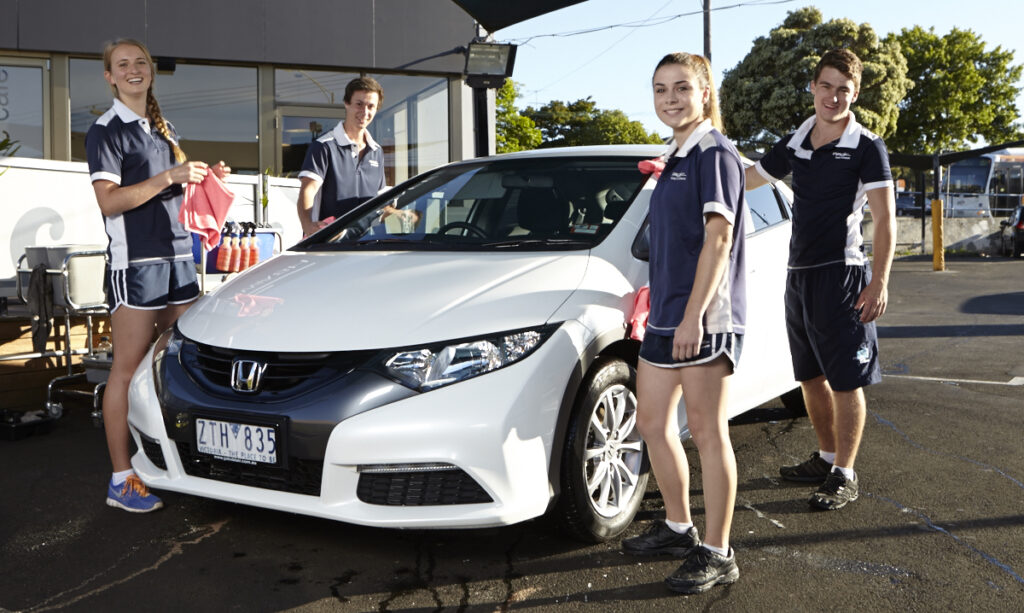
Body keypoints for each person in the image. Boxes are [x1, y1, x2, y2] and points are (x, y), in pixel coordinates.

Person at [745, 48, 896, 511]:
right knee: (809, 376)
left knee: (846, 380)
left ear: (856, 93)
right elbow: (752, 177)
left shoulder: (867, 145)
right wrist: (695, 176)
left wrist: (880, 282)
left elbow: (885, 221)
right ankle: (827, 456)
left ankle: (845, 473)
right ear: (813, 87)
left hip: (843, 275)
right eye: (826, 86)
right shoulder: (798, 138)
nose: (833, 97)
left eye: (843, 89)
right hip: (799, 275)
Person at [621, 52, 748, 595]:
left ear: (704, 94)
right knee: (651, 423)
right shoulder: (673, 155)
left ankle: (718, 552)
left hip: (704, 316)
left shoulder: (714, 153)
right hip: (666, 315)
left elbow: (718, 238)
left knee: (706, 432)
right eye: (660, 89)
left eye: (681, 88)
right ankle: (678, 527)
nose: (670, 98)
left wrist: (694, 315)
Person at [86, 38, 230, 513]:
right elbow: (110, 202)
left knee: (178, 365)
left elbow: (174, 195)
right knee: (126, 371)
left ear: (150, 71)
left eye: (140, 63)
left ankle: (176, 462)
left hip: (178, 260)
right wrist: (170, 177)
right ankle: (121, 478)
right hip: (138, 265)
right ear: (109, 76)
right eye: (122, 64)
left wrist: (205, 179)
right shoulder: (106, 130)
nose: (133, 70)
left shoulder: (162, 129)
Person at [297, 77, 386, 236]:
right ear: (346, 103)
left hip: (367, 244)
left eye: (371, 106)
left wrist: (404, 214)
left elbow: (378, 202)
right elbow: (307, 191)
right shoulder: (324, 146)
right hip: (329, 245)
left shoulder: (376, 151)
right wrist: (308, 228)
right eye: (359, 104)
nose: (365, 112)